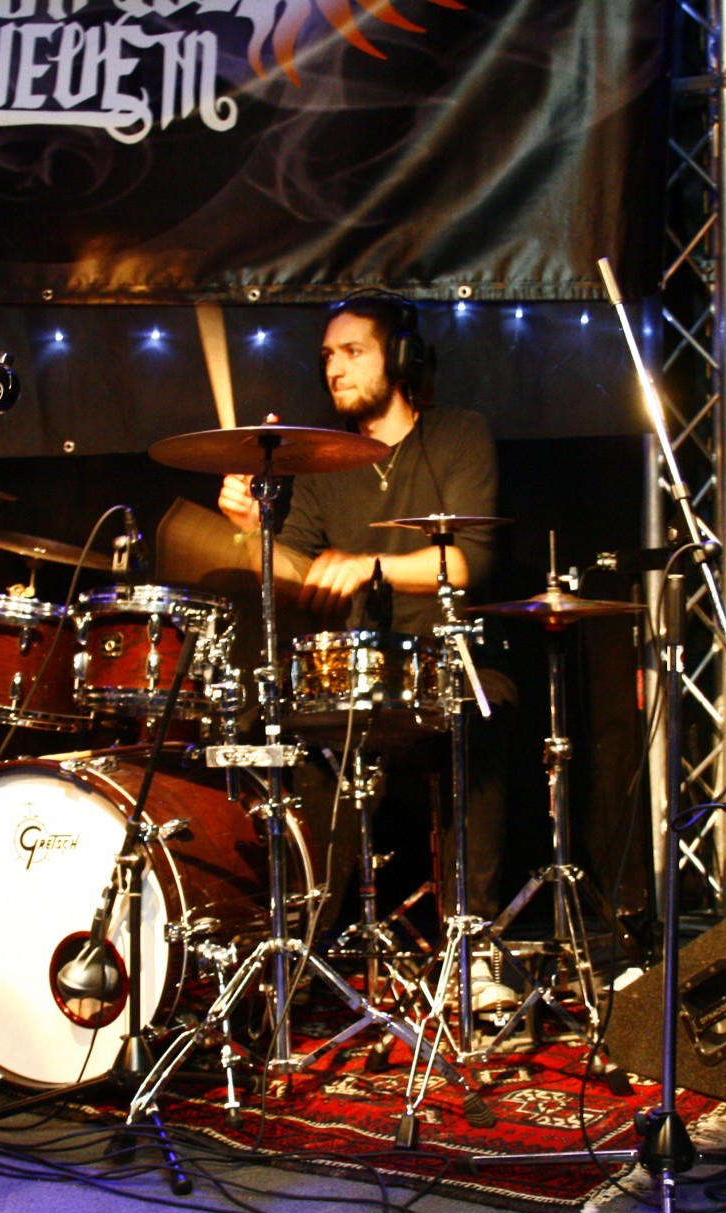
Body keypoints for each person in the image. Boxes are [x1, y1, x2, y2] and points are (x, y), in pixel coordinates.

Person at [217, 292, 517, 1012]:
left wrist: (367, 564)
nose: (335, 369)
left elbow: (469, 562)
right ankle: (302, 942)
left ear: (402, 360)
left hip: (443, 658)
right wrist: (250, 531)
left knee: (480, 713)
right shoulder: (325, 462)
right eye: (328, 356)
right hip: (355, 671)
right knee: (291, 723)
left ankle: (472, 946)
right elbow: (288, 578)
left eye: (353, 352)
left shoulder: (459, 435)